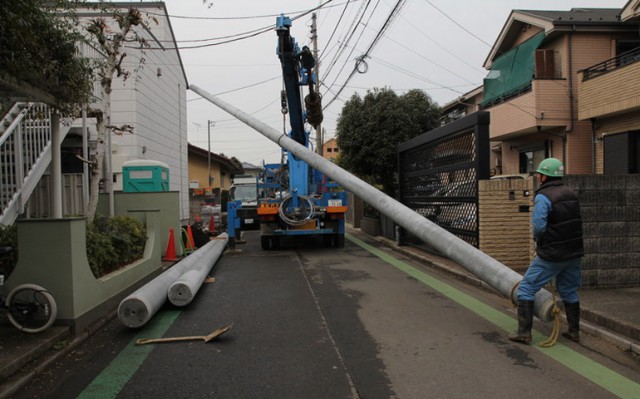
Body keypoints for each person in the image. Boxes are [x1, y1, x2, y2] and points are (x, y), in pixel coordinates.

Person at [509, 157, 584, 344]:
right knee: (569, 289)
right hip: (574, 252)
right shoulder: (571, 194)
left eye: (539, 174)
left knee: (526, 289)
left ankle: (524, 333)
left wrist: (539, 242)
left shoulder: (544, 196)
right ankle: (574, 332)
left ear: (543, 176)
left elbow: (539, 226)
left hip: (552, 253)